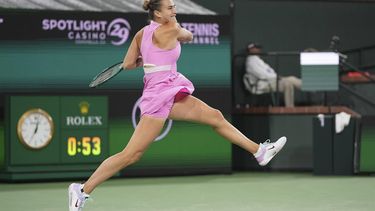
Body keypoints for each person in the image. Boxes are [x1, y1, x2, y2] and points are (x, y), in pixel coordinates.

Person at [68, 1, 287, 210]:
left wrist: (146, 57)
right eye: (170, 7)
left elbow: (128, 64)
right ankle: (82, 189)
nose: (174, 10)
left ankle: (259, 151)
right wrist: (169, 35)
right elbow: (188, 36)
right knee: (131, 155)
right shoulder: (172, 28)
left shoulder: (141, 34)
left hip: (167, 87)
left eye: (174, 6)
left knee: (215, 116)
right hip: (158, 95)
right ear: (158, 14)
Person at [244, 42, 302, 107]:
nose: (259, 50)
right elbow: (262, 75)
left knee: (291, 78)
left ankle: (309, 87)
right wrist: (276, 77)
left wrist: (276, 77)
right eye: (256, 48)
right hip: (261, 85)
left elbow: (270, 71)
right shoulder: (250, 61)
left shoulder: (258, 60)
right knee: (287, 84)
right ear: (250, 49)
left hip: (270, 81)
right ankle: (290, 108)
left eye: (259, 48)